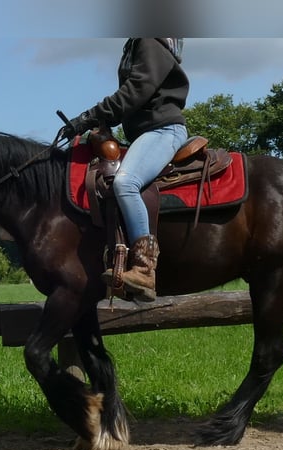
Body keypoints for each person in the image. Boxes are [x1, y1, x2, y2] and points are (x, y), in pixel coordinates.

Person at [62, 38, 189, 302]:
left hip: (163, 130)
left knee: (125, 183)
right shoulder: (137, 43)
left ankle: (144, 269)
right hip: (147, 133)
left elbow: (135, 91)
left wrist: (88, 117)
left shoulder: (149, 40)